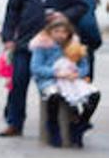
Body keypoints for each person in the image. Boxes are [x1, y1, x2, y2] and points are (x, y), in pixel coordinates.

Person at [0, 0, 90, 137]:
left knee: (59, 83)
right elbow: (12, 12)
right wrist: (8, 38)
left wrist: (63, 16)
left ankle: (63, 122)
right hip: (26, 42)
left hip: (56, 46)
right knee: (18, 83)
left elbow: (81, 6)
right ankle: (15, 123)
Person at [30, 16, 100, 148]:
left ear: (69, 32)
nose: (60, 35)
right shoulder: (42, 45)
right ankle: (53, 126)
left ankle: (80, 124)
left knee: (94, 95)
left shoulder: (75, 45)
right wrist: (56, 73)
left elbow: (84, 66)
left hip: (72, 79)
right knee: (54, 96)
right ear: (49, 32)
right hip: (50, 79)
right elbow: (36, 68)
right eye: (56, 31)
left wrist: (77, 73)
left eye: (64, 32)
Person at [76, 0, 102, 80]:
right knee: (85, 84)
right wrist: (97, 41)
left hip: (71, 43)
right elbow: (87, 23)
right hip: (84, 46)